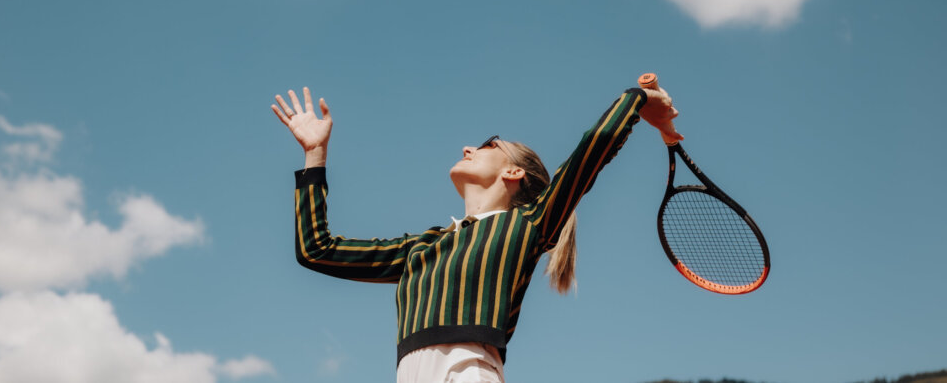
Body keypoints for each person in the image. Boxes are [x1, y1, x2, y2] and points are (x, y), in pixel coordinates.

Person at [273, 84, 680, 383]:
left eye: (487, 145)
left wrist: (639, 98)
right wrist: (315, 155)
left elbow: (595, 146)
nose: (468, 147)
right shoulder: (423, 247)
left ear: (513, 172)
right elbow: (317, 250)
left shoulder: (528, 225)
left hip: (468, 371)